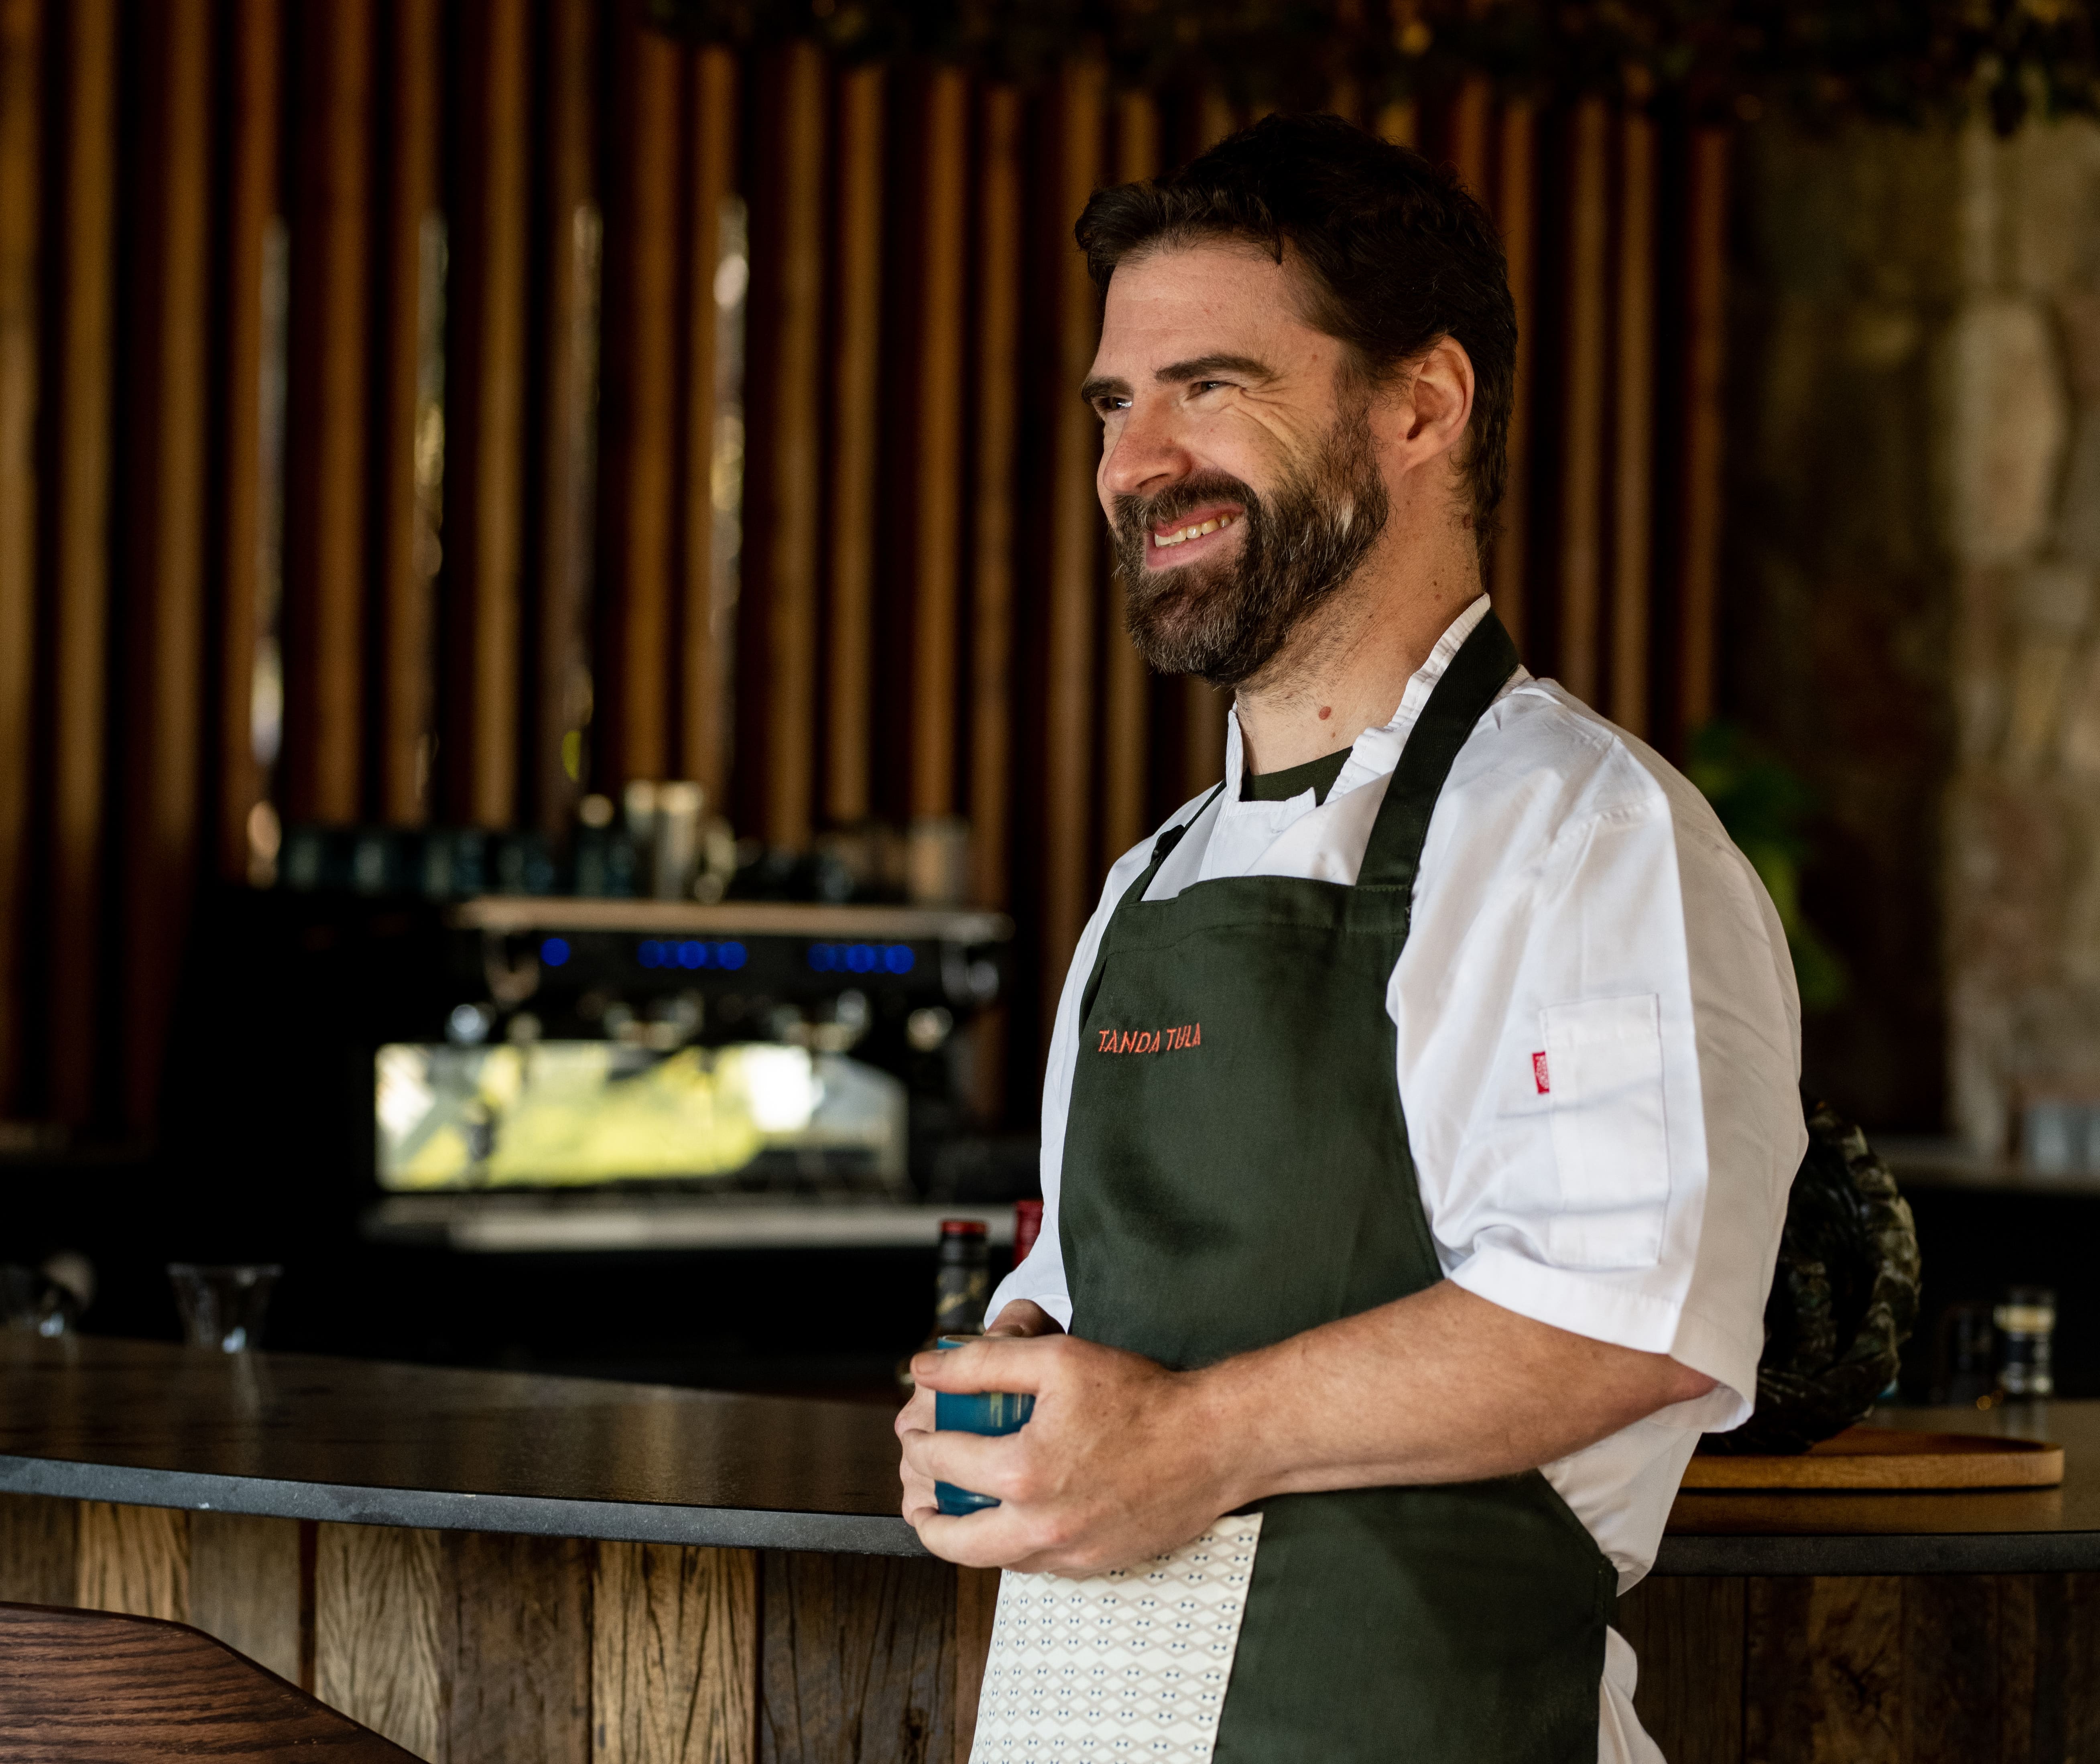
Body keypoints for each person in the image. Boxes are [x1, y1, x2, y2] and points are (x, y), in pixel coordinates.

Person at [896, 113, 1803, 1764]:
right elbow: (1084, 1304)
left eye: (1210, 388)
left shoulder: (1582, 835)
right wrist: (995, 1399)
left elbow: (1623, 1313)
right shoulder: (1148, 884)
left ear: (1418, 406)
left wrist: (1183, 1437)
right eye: (1116, 403)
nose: (1136, 459)